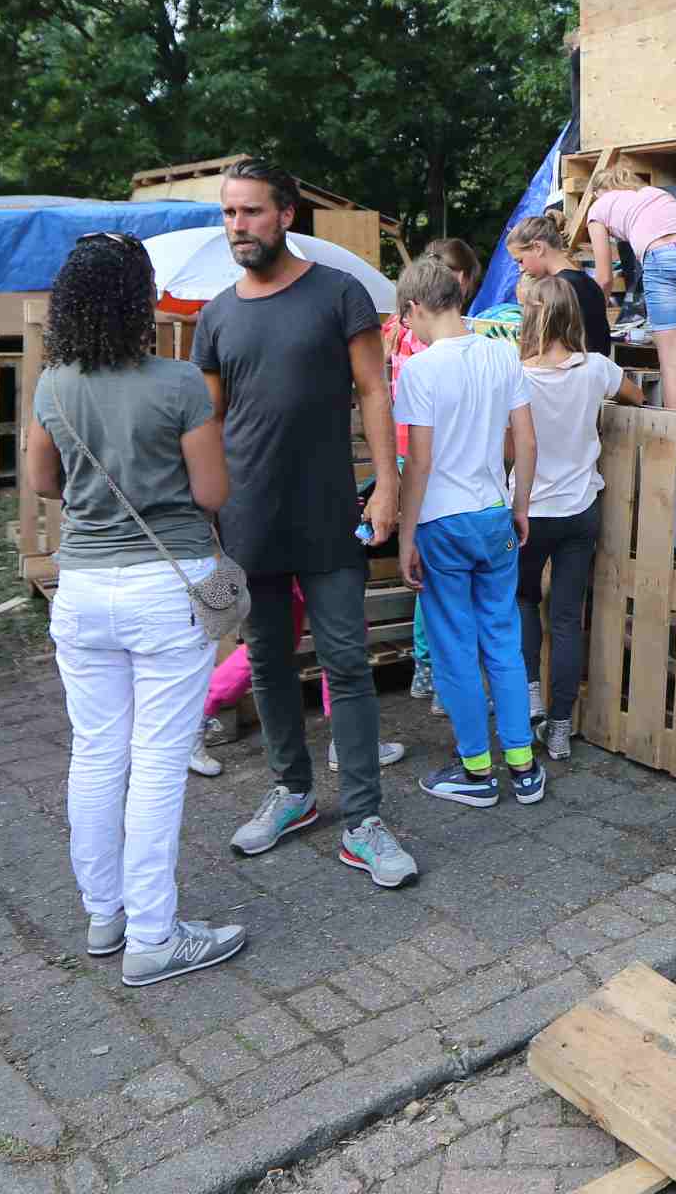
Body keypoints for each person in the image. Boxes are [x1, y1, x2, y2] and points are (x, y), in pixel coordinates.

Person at [23, 232, 245, 987]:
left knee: (95, 753)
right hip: (165, 589)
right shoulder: (179, 383)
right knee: (156, 761)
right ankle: (155, 936)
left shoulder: (53, 385)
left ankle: (105, 914)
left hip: (83, 589)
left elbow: (43, 482)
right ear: (138, 301)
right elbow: (212, 493)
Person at [197, 160, 420, 889]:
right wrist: (203, 512)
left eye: (251, 212)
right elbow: (208, 421)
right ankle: (291, 792)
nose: (238, 226)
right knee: (267, 662)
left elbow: (374, 391)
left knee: (347, 663)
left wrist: (387, 487)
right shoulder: (216, 315)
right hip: (248, 517)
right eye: (229, 213)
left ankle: (363, 820)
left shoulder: (337, 293)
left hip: (327, 512)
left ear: (286, 215)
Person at [392, 254, 542, 807]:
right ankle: (524, 766)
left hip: (442, 521)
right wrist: (520, 505)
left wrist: (405, 536)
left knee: (455, 648)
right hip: (494, 513)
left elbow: (420, 462)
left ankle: (477, 771)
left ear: (414, 308)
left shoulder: (420, 370)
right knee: (503, 640)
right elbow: (526, 442)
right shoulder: (503, 354)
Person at [512, 276, 638, 759]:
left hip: (529, 511)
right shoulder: (596, 368)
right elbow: (635, 396)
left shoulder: (517, 375)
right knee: (566, 618)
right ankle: (561, 729)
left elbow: (507, 445)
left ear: (531, 317)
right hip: (581, 510)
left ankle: (530, 699)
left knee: (523, 602)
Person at [392, 239, 482, 702]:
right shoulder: (433, 338)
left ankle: (431, 669)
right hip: (436, 458)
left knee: (431, 571)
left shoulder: (397, 329)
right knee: (442, 577)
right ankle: (440, 673)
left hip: (417, 454)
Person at [584, 167, 676, 415]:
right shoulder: (653, 192)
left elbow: (604, 278)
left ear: (597, 192)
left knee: (672, 365)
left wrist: (595, 316)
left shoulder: (597, 209)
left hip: (665, 257)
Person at [505, 213, 612, 360]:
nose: (521, 269)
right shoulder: (588, 282)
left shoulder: (557, 289)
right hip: (596, 367)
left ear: (538, 247)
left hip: (572, 369)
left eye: (520, 260)